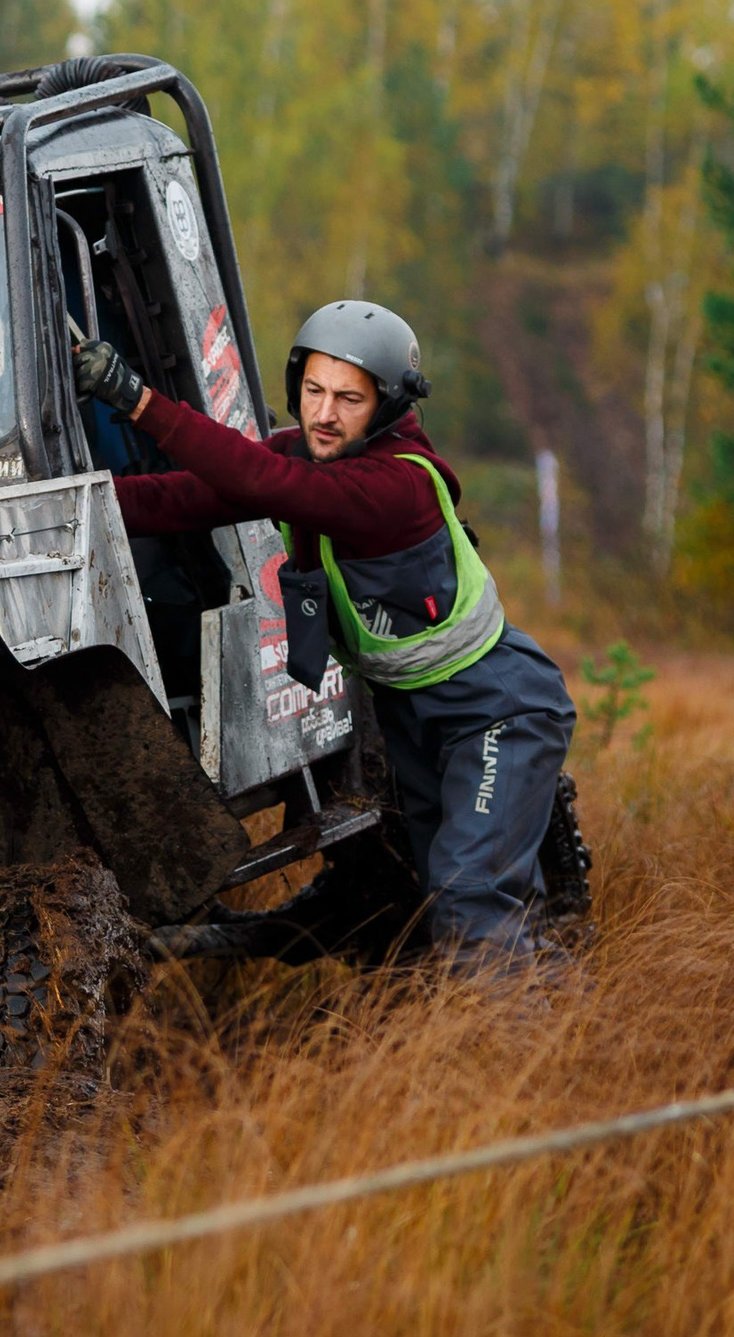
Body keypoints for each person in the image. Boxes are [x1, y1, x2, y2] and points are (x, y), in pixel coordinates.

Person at [72, 300, 576, 972]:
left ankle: (518, 1066)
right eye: (312, 391)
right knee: (464, 900)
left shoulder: (398, 484)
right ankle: (561, 1022)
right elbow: (182, 498)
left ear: (389, 406)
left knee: (471, 895)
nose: (324, 414)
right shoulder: (307, 461)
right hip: (416, 715)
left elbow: (262, 480)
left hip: (496, 707)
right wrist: (68, 505)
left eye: (349, 398)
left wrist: (135, 401)